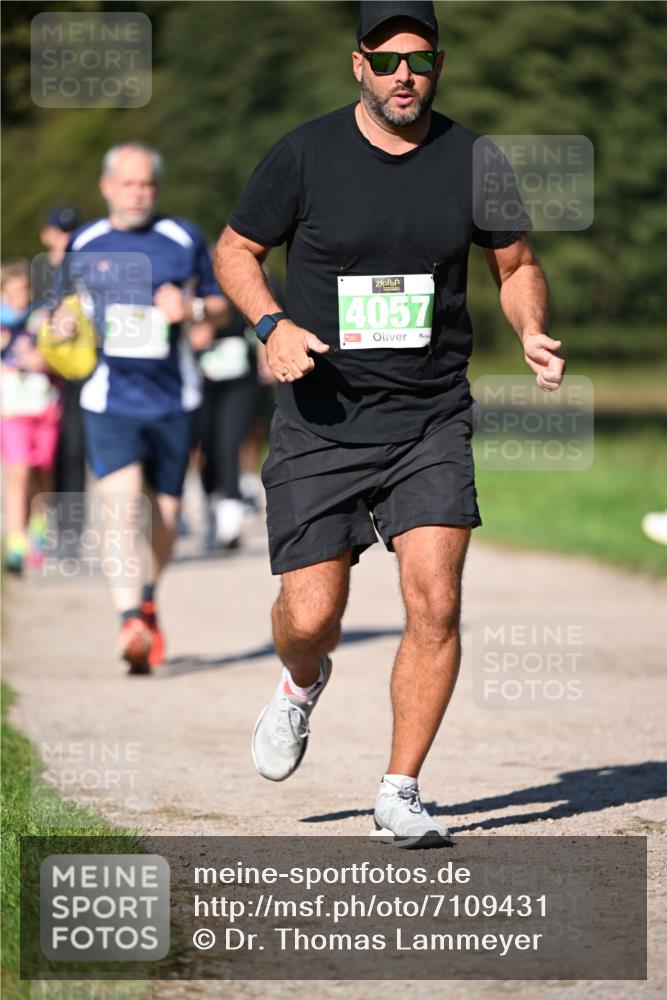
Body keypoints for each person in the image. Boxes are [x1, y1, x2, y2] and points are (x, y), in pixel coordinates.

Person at [216, 0, 564, 846]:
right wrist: (271, 325)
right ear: (358, 66)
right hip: (320, 417)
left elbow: (513, 261)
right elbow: (233, 250)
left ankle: (400, 789)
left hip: (429, 415)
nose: (403, 73)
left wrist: (528, 330)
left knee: (435, 603)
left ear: (435, 66)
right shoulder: (304, 153)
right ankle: (300, 686)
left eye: (420, 58)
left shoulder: (473, 157)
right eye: (386, 59)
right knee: (310, 614)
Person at [52, 142, 227, 673]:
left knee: (166, 518)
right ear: (107, 187)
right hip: (111, 397)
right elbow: (59, 307)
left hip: (175, 397)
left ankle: (147, 598)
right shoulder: (84, 242)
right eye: (128, 184)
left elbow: (221, 304)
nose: (138, 193)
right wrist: (59, 323)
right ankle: (129, 619)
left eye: (147, 184)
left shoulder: (182, 238)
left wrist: (193, 307)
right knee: (123, 510)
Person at [1, 260, 61, 574]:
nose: (18, 296)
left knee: (41, 474)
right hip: (11, 410)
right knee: (18, 473)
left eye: (23, 290)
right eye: (11, 291)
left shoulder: (42, 320)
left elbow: (60, 358)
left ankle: (39, 531)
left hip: (44, 408)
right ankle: (14, 542)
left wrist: (43, 360)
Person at [37, 205, 87, 557]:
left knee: (75, 451)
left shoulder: (85, 269)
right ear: (47, 234)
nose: (67, 239)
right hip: (45, 382)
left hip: (83, 372)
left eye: (72, 232)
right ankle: (50, 526)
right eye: (61, 231)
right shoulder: (36, 276)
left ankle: (71, 533)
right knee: (53, 456)